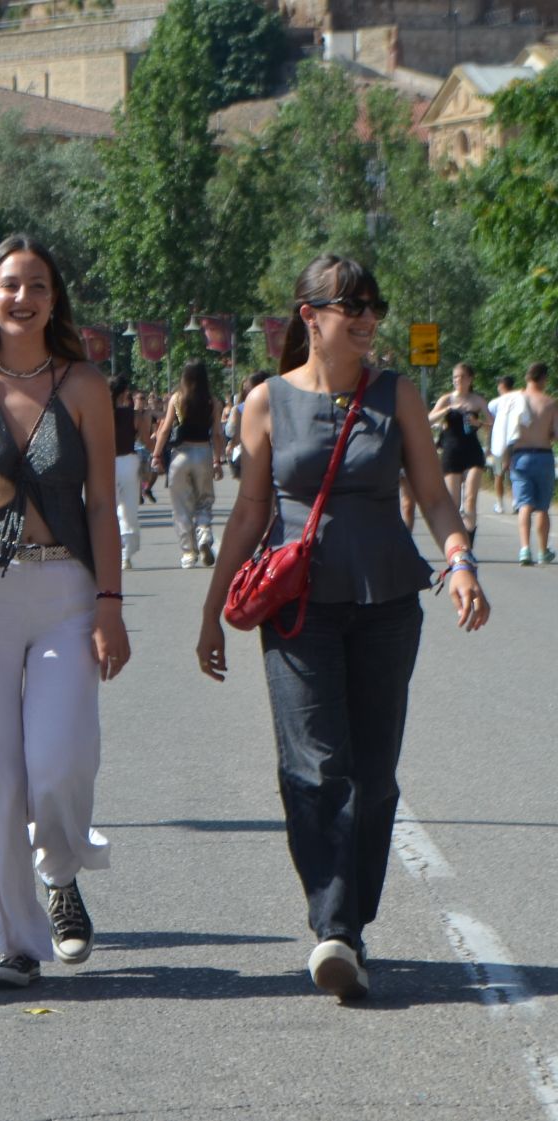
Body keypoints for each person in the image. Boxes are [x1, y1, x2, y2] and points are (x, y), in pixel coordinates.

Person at [196, 254, 487, 1001]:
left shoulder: (398, 394)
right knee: (314, 765)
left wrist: (459, 561)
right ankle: (337, 927)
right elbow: (251, 511)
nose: (366, 319)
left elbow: (432, 493)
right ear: (311, 316)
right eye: (350, 306)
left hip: (388, 602)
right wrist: (212, 612)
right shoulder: (266, 401)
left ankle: (350, 916)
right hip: (298, 609)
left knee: (375, 771)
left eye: (373, 306)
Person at [0, 234, 126, 990]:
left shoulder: (84, 387)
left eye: (37, 285)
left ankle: (60, 871)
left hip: (66, 590)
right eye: (10, 284)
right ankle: (18, 941)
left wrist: (112, 604)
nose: (22, 297)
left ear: (54, 300)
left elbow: (101, 502)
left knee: (60, 762)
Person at [150, 360, 228, 568]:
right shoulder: (213, 402)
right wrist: (217, 460)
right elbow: (218, 434)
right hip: (203, 452)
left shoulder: (177, 399)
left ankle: (188, 553)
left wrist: (156, 455)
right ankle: (204, 533)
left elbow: (165, 429)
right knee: (204, 499)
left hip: (180, 455)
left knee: (181, 507)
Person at [429, 363, 489, 544]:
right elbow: (428, 418)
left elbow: (493, 423)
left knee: (470, 499)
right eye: (455, 377)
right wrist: (446, 411)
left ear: (470, 379)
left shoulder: (477, 400)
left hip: (472, 452)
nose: (458, 381)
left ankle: (468, 542)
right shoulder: (447, 399)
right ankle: (457, 541)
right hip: (451, 452)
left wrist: (477, 422)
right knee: (453, 503)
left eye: (462, 377)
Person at [510, 363, 557, 564]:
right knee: (542, 507)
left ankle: (524, 549)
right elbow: (555, 433)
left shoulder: (514, 401)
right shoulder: (550, 403)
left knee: (524, 505)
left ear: (528, 377)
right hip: (544, 456)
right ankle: (543, 550)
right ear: (544, 378)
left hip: (520, 456)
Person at [109, 376, 148, 570]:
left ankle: (110, 550)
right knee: (129, 507)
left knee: (109, 508)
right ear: (125, 393)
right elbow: (144, 439)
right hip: (128, 461)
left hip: (106, 462)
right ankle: (126, 553)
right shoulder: (133, 415)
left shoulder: (100, 414)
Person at [488, 375, 524, 515]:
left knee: (499, 474)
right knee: (515, 473)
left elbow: (491, 421)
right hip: (516, 439)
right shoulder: (520, 398)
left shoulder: (494, 403)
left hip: (499, 442)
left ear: (501, 385)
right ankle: (516, 502)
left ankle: (499, 504)